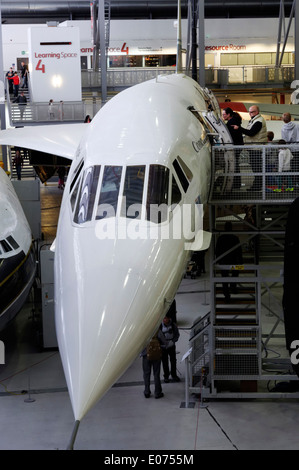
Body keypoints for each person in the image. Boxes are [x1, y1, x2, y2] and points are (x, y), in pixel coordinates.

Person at [232, 105, 267, 191]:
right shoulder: (255, 120)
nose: (250, 114)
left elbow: (251, 133)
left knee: (256, 168)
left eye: (252, 112)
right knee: (256, 167)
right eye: (249, 112)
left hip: (256, 148)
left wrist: (239, 128)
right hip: (253, 147)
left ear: (257, 112)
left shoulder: (258, 121)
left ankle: (257, 186)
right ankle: (257, 185)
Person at [215, 221, 243, 302]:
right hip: (233, 260)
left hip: (223, 261)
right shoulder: (235, 238)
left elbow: (217, 250)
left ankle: (226, 294)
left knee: (224, 278)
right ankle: (233, 287)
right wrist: (240, 261)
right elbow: (239, 250)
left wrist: (217, 260)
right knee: (235, 274)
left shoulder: (220, 238)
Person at [222, 107, 244, 190]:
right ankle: (236, 183)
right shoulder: (234, 120)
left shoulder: (232, 122)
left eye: (224, 114)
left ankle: (236, 184)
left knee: (234, 164)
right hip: (238, 145)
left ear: (229, 114)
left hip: (235, 145)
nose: (223, 116)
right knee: (235, 164)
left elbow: (232, 135)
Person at [141, 330, 164, 399]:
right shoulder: (157, 331)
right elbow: (164, 342)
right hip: (156, 355)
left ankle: (147, 391)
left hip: (145, 355)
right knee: (156, 374)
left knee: (146, 374)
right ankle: (157, 392)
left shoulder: (142, 331)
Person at [160, 315, 180, 383]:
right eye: (163, 318)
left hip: (171, 345)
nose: (164, 320)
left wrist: (173, 341)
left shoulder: (173, 325)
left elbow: (177, 335)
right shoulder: (160, 326)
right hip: (163, 347)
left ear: (169, 318)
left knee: (173, 361)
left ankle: (174, 375)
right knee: (165, 362)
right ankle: (166, 376)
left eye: (165, 318)